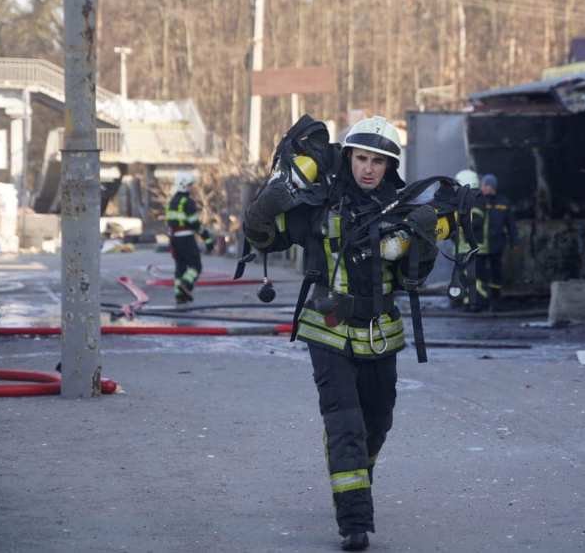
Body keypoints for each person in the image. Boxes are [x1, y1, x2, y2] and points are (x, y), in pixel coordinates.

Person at [243, 115, 438, 551]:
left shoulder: (402, 211)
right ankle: (354, 522)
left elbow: (415, 275)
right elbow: (262, 238)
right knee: (345, 424)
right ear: (348, 158)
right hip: (327, 332)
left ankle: (354, 481)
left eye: (378, 162)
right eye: (361, 158)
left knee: (378, 421)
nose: (368, 169)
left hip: (381, 333)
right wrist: (263, 208)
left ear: (390, 167)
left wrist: (422, 242)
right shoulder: (317, 207)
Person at [166, 170, 213, 304]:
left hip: (174, 239)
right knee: (195, 266)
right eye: (190, 185)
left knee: (180, 267)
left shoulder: (172, 202)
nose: (191, 188)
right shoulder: (188, 202)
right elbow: (195, 224)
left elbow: (170, 223)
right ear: (184, 185)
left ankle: (179, 295)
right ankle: (186, 285)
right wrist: (208, 239)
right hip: (186, 239)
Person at [477, 173, 516, 308]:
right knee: (480, 273)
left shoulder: (503, 202)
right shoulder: (478, 201)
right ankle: (481, 300)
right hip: (481, 245)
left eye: (483, 185)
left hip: (496, 244)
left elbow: (510, 224)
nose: (482, 188)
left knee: (496, 272)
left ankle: (495, 299)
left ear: (490, 186)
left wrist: (514, 242)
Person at [449, 169, 485, 310]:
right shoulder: (468, 199)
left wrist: (456, 227)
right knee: (464, 277)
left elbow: (473, 221)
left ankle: (475, 303)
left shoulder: (475, 200)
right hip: (464, 248)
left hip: (471, 248)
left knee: (473, 277)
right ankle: (466, 302)